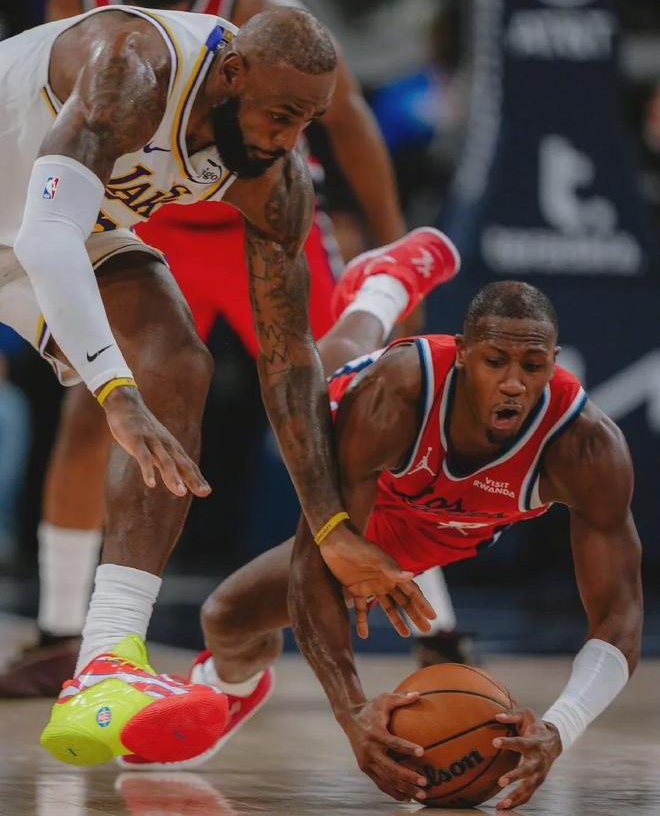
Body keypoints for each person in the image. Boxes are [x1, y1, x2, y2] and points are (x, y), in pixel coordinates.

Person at [0, 4, 424, 766]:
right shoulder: (134, 67)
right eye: (281, 115)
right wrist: (115, 390)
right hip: (42, 224)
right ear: (231, 73)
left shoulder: (276, 179)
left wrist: (331, 524)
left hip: (59, 227)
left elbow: (289, 363)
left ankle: (104, 661)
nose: (289, 140)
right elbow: (44, 233)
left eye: (307, 122)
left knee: (176, 362)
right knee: (128, 386)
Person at [131, 272, 642, 809]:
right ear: (463, 354)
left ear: (553, 363)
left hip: (432, 532)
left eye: (532, 367)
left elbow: (619, 617)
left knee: (227, 616)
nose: (514, 383)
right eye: (495, 361)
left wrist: (560, 727)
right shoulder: (399, 392)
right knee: (226, 616)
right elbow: (315, 559)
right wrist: (352, 710)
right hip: (367, 491)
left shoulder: (586, 446)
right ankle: (386, 286)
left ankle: (219, 694)